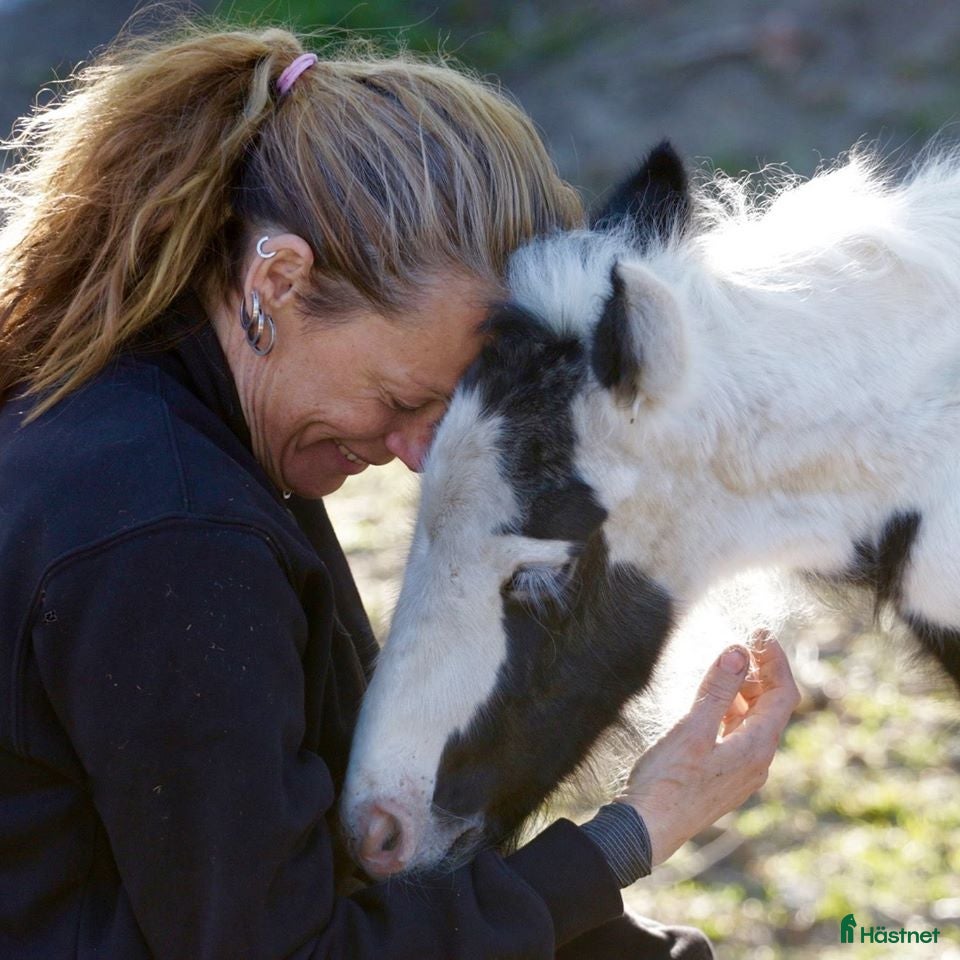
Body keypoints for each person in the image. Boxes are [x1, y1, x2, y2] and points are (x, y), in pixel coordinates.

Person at [0, 20, 801, 960]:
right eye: (405, 399)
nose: (418, 454)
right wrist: (633, 833)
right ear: (280, 281)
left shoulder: (131, 423)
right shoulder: (173, 533)